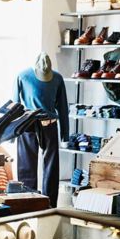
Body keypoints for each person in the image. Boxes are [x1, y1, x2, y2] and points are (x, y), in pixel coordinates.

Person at [13, 52, 69, 208]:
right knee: (26, 165)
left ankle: (50, 203)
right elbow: (14, 106)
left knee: (51, 166)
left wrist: (65, 134)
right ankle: (26, 201)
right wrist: (12, 132)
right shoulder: (23, 76)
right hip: (27, 124)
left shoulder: (57, 78)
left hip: (49, 123)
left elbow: (63, 107)